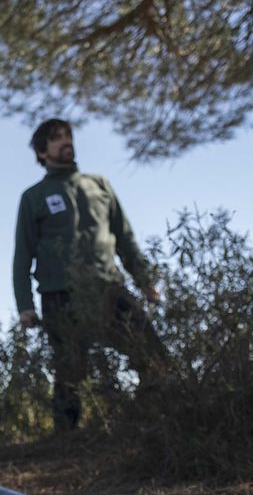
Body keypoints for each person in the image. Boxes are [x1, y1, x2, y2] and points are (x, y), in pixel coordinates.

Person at [12, 118, 166, 430]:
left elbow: (125, 238)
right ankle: (66, 442)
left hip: (108, 287)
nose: (65, 141)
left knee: (152, 352)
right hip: (59, 294)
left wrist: (145, 281)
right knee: (71, 370)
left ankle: (148, 421)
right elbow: (22, 254)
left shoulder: (99, 185)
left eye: (68, 135)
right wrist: (25, 305)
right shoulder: (34, 197)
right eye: (56, 139)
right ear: (42, 152)